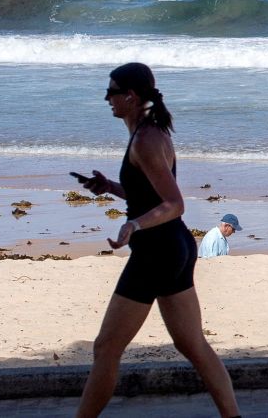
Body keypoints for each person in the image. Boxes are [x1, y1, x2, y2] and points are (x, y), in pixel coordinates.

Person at [75, 62, 241, 418]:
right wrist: (110, 187)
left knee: (106, 348)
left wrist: (133, 225)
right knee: (193, 344)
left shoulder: (147, 139)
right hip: (174, 248)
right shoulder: (147, 134)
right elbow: (149, 195)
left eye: (112, 91)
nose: (107, 98)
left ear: (131, 96)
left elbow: (174, 204)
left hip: (157, 252)